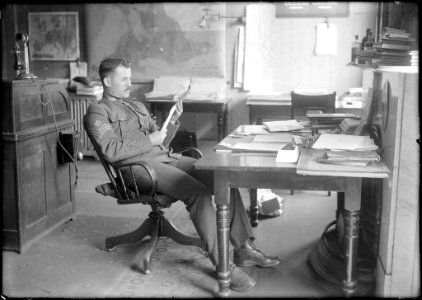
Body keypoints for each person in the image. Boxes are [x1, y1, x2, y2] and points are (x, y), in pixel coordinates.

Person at [83, 57, 280, 292]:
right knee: (198, 194)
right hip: (136, 169)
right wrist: (149, 140)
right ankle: (224, 266)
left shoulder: (135, 105)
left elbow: (160, 141)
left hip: (165, 158)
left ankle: (243, 248)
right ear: (107, 81)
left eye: (130, 77)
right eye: (123, 78)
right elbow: (111, 151)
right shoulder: (97, 112)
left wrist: (173, 122)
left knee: (223, 176)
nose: (129, 83)